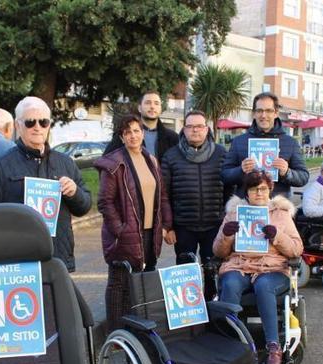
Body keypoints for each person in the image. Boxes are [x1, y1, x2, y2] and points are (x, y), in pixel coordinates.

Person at [0, 96, 92, 272]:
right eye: (30, 122)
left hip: (57, 259)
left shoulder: (65, 163)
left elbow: (84, 206)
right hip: (19, 261)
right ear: (18, 126)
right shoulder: (1, 166)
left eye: (43, 122)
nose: (37, 127)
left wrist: (74, 192)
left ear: (49, 125)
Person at [213, 170, 303, 364]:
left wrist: (278, 236)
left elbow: (297, 249)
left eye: (263, 189)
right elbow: (218, 251)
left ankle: (273, 346)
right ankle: (232, 344)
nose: (259, 193)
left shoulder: (281, 214)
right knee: (230, 282)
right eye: (254, 189)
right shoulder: (235, 214)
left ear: (269, 190)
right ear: (247, 192)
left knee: (263, 285)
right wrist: (226, 236)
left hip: (272, 268)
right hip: (240, 265)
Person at [95, 115, 173, 331]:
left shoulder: (150, 160)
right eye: (127, 132)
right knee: (119, 284)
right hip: (126, 234)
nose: (133, 135)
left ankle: (137, 329)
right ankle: (117, 332)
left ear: (142, 133)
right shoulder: (114, 163)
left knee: (141, 281)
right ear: (121, 137)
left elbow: (162, 195)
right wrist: (120, 229)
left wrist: (166, 224)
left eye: (136, 131)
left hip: (150, 233)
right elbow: (104, 202)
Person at [160, 110, 226, 266]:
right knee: (185, 273)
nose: (195, 130)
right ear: (183, 129)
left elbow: (230, 188)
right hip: (183, 227)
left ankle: (211, 292)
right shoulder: (171, 156)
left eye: (199, 126)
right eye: (190, 126)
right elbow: (164, 195)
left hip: (214, 225)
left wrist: (225, 219)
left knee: (213, 271)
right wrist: (168, 227)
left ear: (206, 129)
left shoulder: (221, 153)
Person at [221, 92, 309, 199]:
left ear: (276, 113)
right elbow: (225, 175)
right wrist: (241, 170)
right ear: (254, 113)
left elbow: (303, 177)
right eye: (259, 111)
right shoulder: (239, 141)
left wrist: (287, 172)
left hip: (277, 208)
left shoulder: (290, 143)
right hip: (247, 208)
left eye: (268, 111)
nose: (263, 115)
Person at [103, 91, 179, 159]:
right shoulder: (126, 134)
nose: (152, 106)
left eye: (156, 103)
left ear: (160, 109)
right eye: (148, 103)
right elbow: (105, 161)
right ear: (139, 108)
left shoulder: (172, 138)